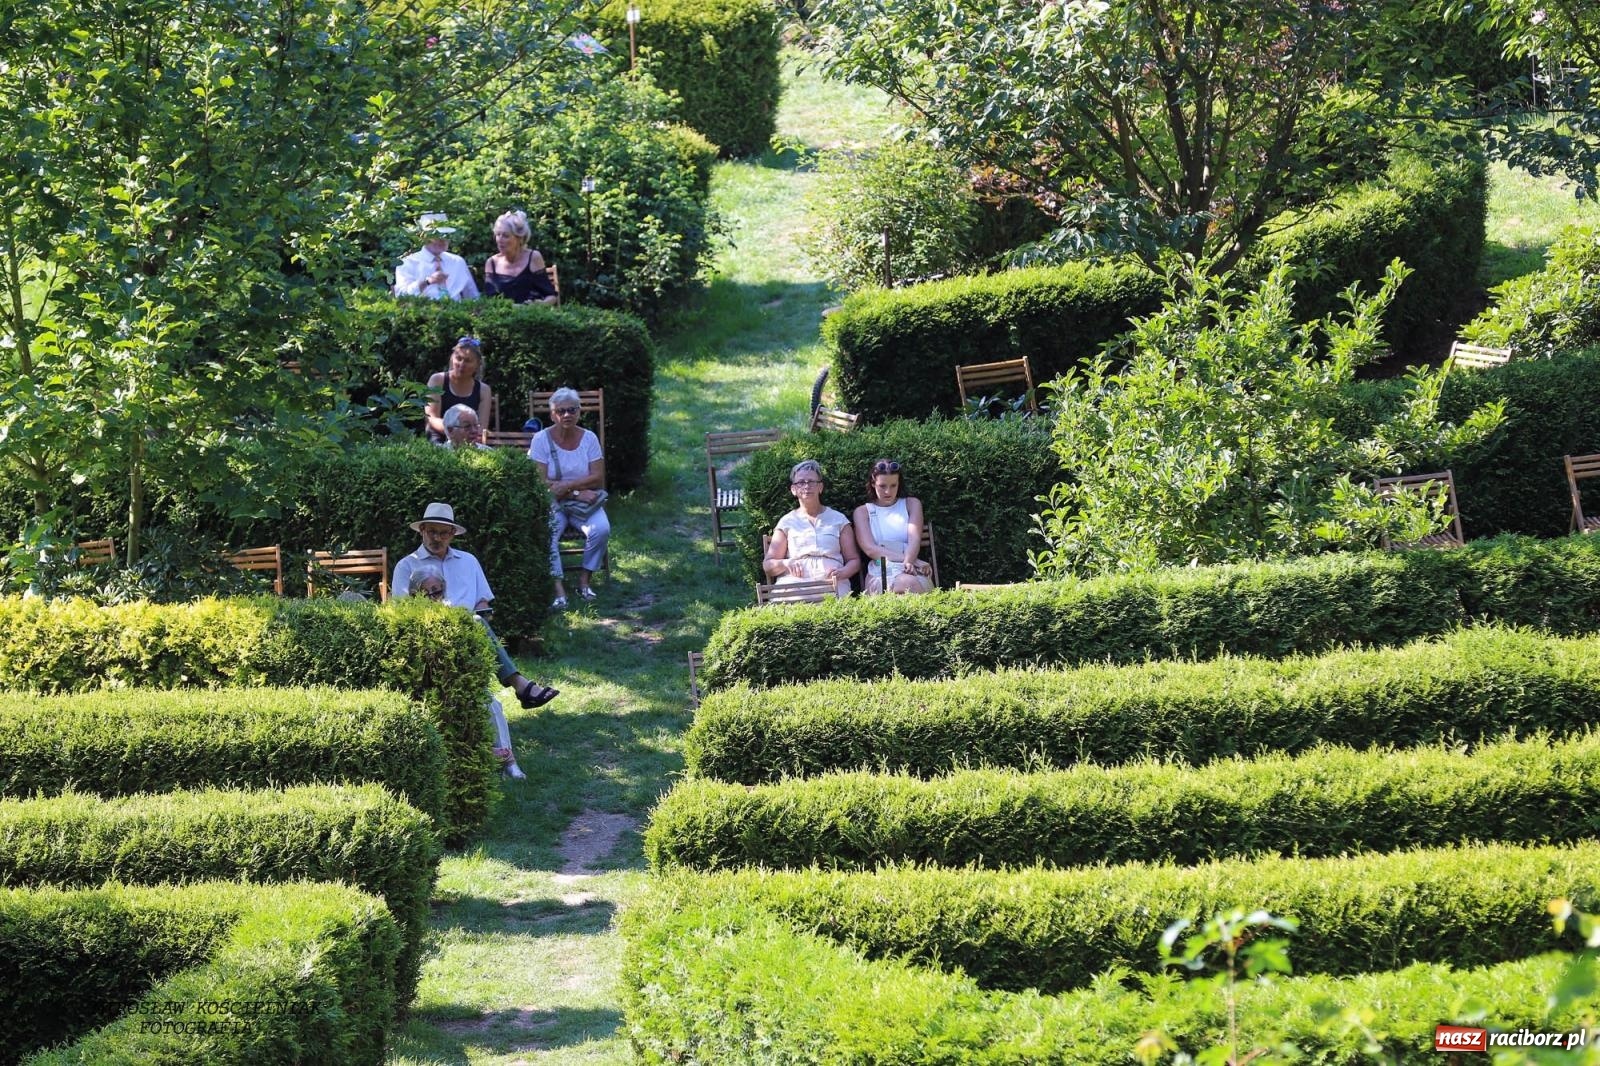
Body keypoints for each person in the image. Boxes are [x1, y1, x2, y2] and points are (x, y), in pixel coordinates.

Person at [392, 502, 559, 714]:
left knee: (478, 620)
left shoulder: (468, 561)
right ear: (422, 530)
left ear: (453, 533)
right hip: (429, 632)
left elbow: (483, 602)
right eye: (432, 531)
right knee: (477, 622)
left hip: (471, 631)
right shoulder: (407, 565)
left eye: (443, 533)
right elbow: (402, 610)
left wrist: (481, 614)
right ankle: (520, 685)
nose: (437, 538)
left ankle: (520, 687)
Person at [405, 562, 526, 779]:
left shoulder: (455, 616)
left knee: (491, 703)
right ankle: (485, 757)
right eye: (426, 594)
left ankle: (509, 762)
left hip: (461, 682)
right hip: (431, 687)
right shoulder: (408, 620)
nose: (433, 598)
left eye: (437, 592)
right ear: (415, 595)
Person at [529, 388, 609, 608]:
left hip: (584, 503)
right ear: (552, 415)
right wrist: (575, 492)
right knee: (547, 533)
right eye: (560, 411)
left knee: (601, 529)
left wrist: (569, 486)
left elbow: (598, 477)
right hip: (553, 503)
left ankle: (584, 581)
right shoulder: (541, 439)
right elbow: (539, 482)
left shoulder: (589, 438)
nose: (566, 415)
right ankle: (558, 590)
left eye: (571, 410)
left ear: (579, 412)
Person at [763, 459, 860, 599]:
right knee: (788, 601)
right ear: (793, 490)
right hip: (795, 582)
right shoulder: (787, 522)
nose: (807, 486)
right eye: (801, 482)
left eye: (812, 482)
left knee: (835, 602)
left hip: (831, 582)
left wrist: (843, 572)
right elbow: (768, 565)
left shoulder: (839, 520)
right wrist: (785, 563)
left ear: (820, 487)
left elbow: (854, 560)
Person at [853, 458, 935, 595]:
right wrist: (913, 561)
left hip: (912, 569)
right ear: (873, 483)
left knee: (909, 585)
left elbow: (914, 539)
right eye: (882, 486)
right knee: (908, 584)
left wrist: (910, 561)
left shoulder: (911, 504)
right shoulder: (862, 512)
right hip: (880, 571)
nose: (888, 492)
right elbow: (870, 549)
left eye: (893, 486)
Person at [394, 212, 480, 301]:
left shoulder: (457, 261)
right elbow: (401, 296)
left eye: (445, 235)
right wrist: (426, 282)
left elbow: (473, 295)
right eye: (436, 235)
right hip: (422, 312)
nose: (442, 239)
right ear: (423, 236)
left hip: (456, 312)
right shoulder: (408, 262)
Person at [425, 336, 494, 443]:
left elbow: (481, 428)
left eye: (467, 361)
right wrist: (457, 433)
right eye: (458, 358)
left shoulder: (484, 390)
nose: (461, 364)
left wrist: (464, 435)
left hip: (469, 441)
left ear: (477, 364)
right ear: (452, 358)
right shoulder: (437, 380)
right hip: (438, 439)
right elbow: (432, 418)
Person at [482, 209, 558, 305]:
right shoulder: (491, 263)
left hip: (532, 316)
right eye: (498, 234)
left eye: (505, 236)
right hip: (502, 317)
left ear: (520, 238)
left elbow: (551, 296)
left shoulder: (534, 257)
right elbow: (489, 302)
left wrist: (539, 305)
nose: (500, 240)